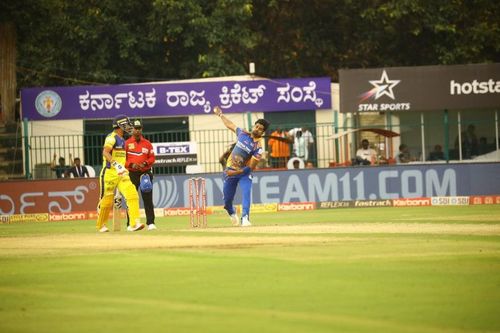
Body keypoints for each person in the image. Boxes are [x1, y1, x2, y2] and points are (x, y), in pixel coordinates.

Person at [213, 106, 269, 227]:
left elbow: (250, 168)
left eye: (260, 129)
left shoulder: (258, 148)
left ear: (262, 133)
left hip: (243, 173)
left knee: (246, 192)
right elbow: (230, 124)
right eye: (257, 126)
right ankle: (231, 213)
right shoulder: (242, 133)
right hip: (230, 171)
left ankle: (245, 218)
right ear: (254, 126)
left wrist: (235, 173)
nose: (258, 129)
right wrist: (220, 114)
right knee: (227, 201)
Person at [95, 114, 144, 233]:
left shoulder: (123, 140)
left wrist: (124, 166)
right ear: (120, 125)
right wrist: (115, 164)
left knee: (132, 194)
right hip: (109, 173)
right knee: (107, 200)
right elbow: (105, 152)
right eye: (126, 124)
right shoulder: (111, 138)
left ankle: (134, 223)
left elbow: (121, 158)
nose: (129, 126)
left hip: (122, 173)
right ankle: (101, 225)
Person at [125, 119, 157, 230]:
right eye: (135, 128)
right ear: (131, 129)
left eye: (139, 128)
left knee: (148, 198)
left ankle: (151, 223)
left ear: (141, 129)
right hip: (132, 173)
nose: (137, 131)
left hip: (145, 173)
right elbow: (122, 160)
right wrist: (131, 164)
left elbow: (152, 158)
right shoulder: (127, 143)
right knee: (131, 199)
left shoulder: (147, 144)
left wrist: (145, 163)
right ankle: (130, 223)